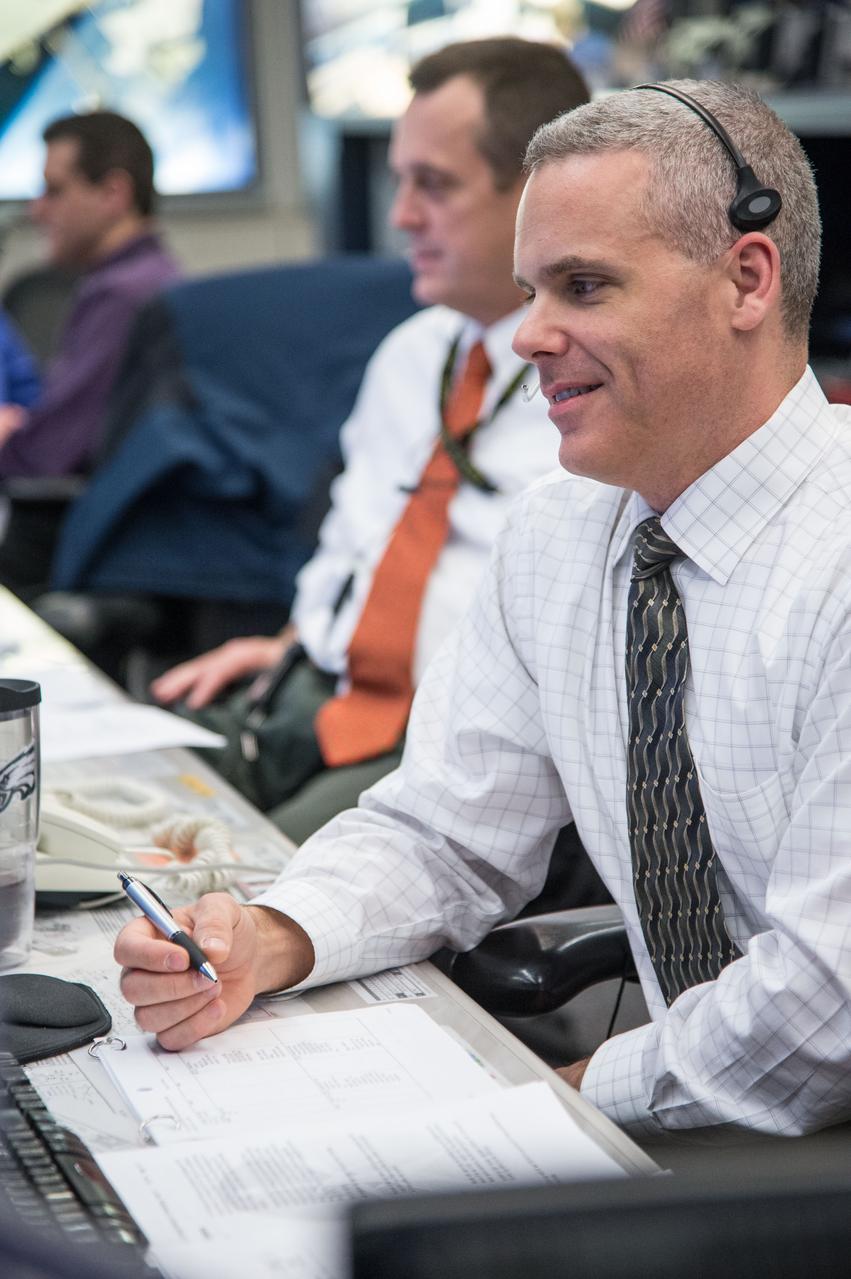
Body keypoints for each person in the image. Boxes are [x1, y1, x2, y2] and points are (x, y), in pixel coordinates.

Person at [116, 78, 847, 1139]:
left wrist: (550, 1105)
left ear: (745, 277)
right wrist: (269, 937)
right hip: (688, 1120)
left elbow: (823, 1007)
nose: (526, 337)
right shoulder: (560, 535)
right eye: (530, 292)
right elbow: (447, 832)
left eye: (583, 287)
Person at [151, 38, 590, 844]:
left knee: (232, 886)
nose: (400, 216)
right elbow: (364, 540)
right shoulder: (413, 352)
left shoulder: (600, 386)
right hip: (317, 690)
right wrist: (288, 641)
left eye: (434, 184)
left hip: (448, 740)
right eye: (399, 180)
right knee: (113, 807)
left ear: (537, 193)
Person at [0, 110, 180, 599]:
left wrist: (15, 435)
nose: (38, 210)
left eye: (55, 190)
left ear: (113, 194)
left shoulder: (123, 296)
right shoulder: (152, 280)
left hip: (82, 549)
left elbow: (47, 457)